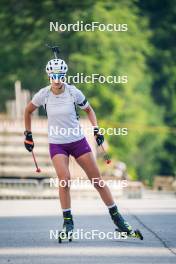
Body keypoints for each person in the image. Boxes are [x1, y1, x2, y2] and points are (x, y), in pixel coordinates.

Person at [24, 57, 138, 238]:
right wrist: (28, 134)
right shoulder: (43, 94)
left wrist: (96, 130)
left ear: (64, 75)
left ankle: (118, 219)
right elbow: (28, 110)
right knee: (64, 180)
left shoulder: (73, 92)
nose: (57, 79)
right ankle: (68, 223)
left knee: (97, 181)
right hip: (57, 144)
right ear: (49, 76)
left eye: (60, 75)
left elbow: (89, 110)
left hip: (78, 142)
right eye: (54, 75)